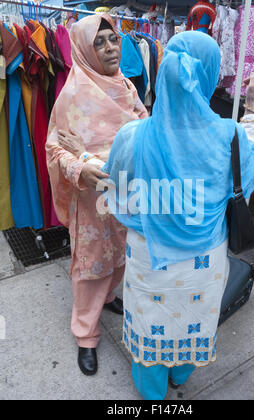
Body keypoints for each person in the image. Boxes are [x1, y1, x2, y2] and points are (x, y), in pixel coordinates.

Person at [99, 31, 254, 399]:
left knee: (149, 324)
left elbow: (114, 192)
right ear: (208, 77)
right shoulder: (229, 138)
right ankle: (180, 375)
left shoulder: (131, 136)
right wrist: (253, 107)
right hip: (205, 262)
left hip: (149, 258)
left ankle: (152, 393)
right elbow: (249, 172)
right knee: (193, 322)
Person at [46, 14, 148, 376]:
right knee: (90, 266)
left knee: (121, 255)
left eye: (113, 39)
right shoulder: (72, 93)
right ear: (85, 50)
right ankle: (86, 336)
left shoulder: (127, 86)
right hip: (91, 202)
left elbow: (143, 127)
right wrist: (78, 168)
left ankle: (109, 298)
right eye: (99, 43)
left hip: (125, 195)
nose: (110, 48)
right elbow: (55, 148)